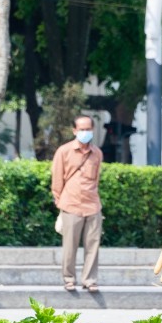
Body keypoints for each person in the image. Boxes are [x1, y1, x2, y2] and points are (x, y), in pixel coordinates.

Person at [51, 115, 103, 292]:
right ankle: (68, 278)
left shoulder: (97, 153)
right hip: (71, 204)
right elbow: (57, 180)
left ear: (93, 130)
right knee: (69, 246)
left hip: (93, 205)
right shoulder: (63, 151)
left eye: (88, 129)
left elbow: (96, 179)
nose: (85, 132)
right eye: (81, 129)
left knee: (93, 245)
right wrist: (60, 202)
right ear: (74, 131)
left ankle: (89, 280)